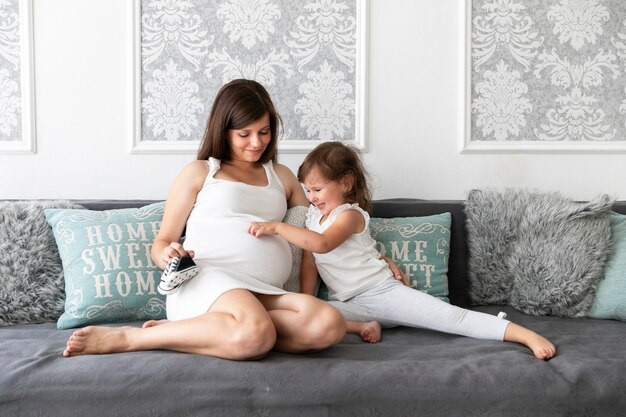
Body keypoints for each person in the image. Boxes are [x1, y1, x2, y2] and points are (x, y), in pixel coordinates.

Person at [63, 79, 349, 359]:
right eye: (244, 134)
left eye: (264, 132)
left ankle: (205, 331)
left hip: (263, 292)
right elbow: (162, 242)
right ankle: (131, 338)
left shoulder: (282, 176)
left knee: (328, 324)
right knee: (255, 331)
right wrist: (168, 255)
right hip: (207, 281)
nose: (256, 142)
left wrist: (373, 256)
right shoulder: (201, 172)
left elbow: (320, 228)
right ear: (224, 131)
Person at [248, 141, 557, 360]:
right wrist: (306, 300)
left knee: (451, 319)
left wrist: (277, 227)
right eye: (307, 191)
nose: (311, 197)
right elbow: (312, 262)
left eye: (317, 189)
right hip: (350, 304)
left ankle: (523, 335)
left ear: (345, 183)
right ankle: (362, 327)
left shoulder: (350, 215)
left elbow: (323, 244)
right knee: (304, 319)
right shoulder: (315, 218)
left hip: (383, 294)